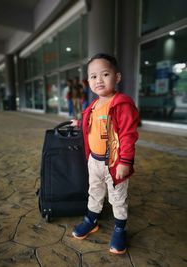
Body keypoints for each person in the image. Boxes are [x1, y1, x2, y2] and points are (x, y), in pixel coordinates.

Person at [71, 53, 139, 254]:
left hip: (115, 162)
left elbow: (128, 134)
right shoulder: (92, 106)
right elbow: (91, 125)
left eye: (105, 74)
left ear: (117, 77)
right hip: (95, 161)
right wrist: (80, 124)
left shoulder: (121, 103)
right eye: (93, 76)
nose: (98, 80)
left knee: (118, 197)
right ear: (88, 81)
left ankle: (120, 228)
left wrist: (125, 161)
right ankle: (91, 220)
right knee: (95, 191)